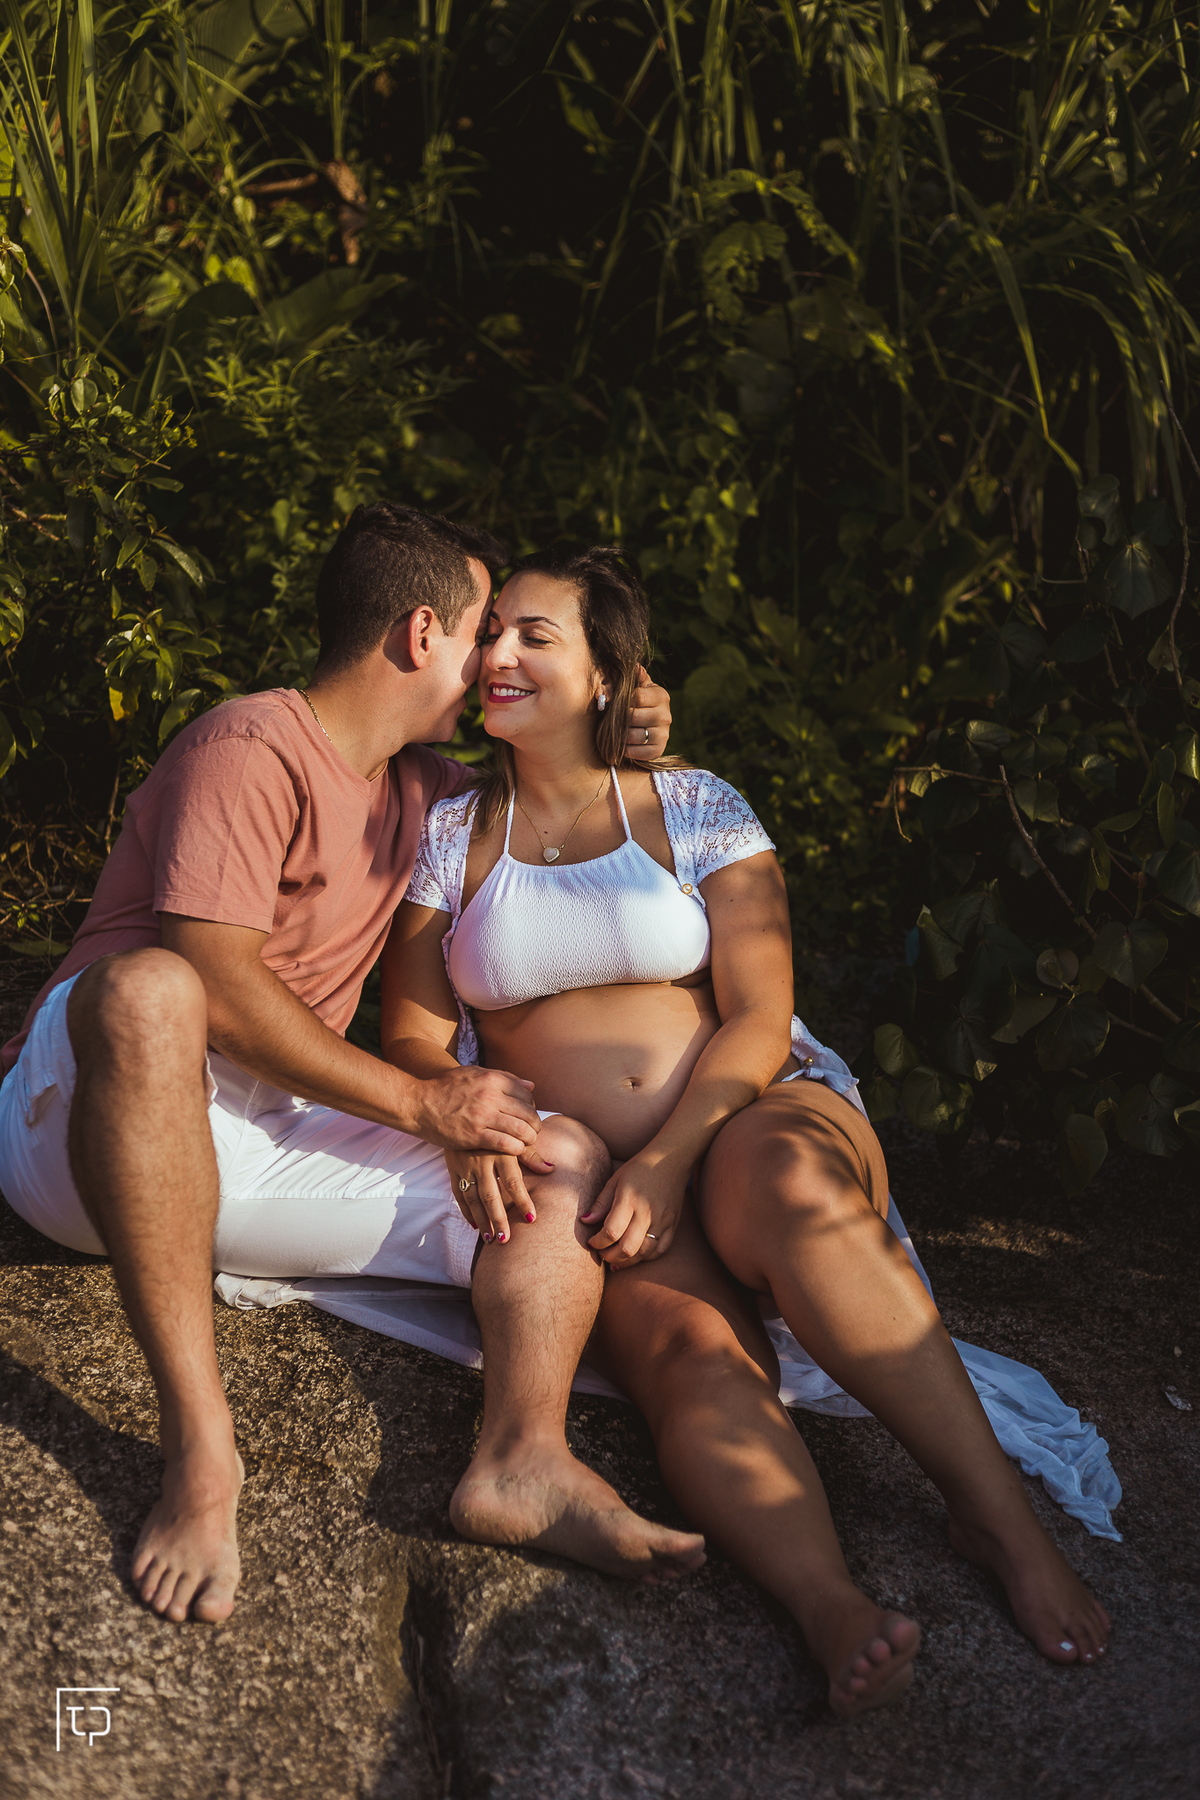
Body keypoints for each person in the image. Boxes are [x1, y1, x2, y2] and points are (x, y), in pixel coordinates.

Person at [384, 545, 1113, 1719]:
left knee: (774, 1175)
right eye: (495, 634)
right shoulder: (452, 831)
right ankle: (832, 1607)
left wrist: (674, 1156)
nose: (499, 654)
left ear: (612, 674)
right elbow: (415, 1037)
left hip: (754, 1108)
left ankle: (1001, 1521)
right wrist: (461, 1116)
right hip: (601, 1174)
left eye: (535, 635)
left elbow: (761, 1011)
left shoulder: (697, 804)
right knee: (690, 1360)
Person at [0, 505, 688, 1628]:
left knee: (554, 1155)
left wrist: (621, 724)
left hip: (254, 1135)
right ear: (424, 635)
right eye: (486, 635)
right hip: (83, 1122)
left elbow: (560, 786)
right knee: (155, 988)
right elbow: (214, 983)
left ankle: (521, 1459)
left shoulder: (423, 790)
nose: (498, 663)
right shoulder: (248, 743)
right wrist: (424, 1101)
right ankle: (202, 1454)